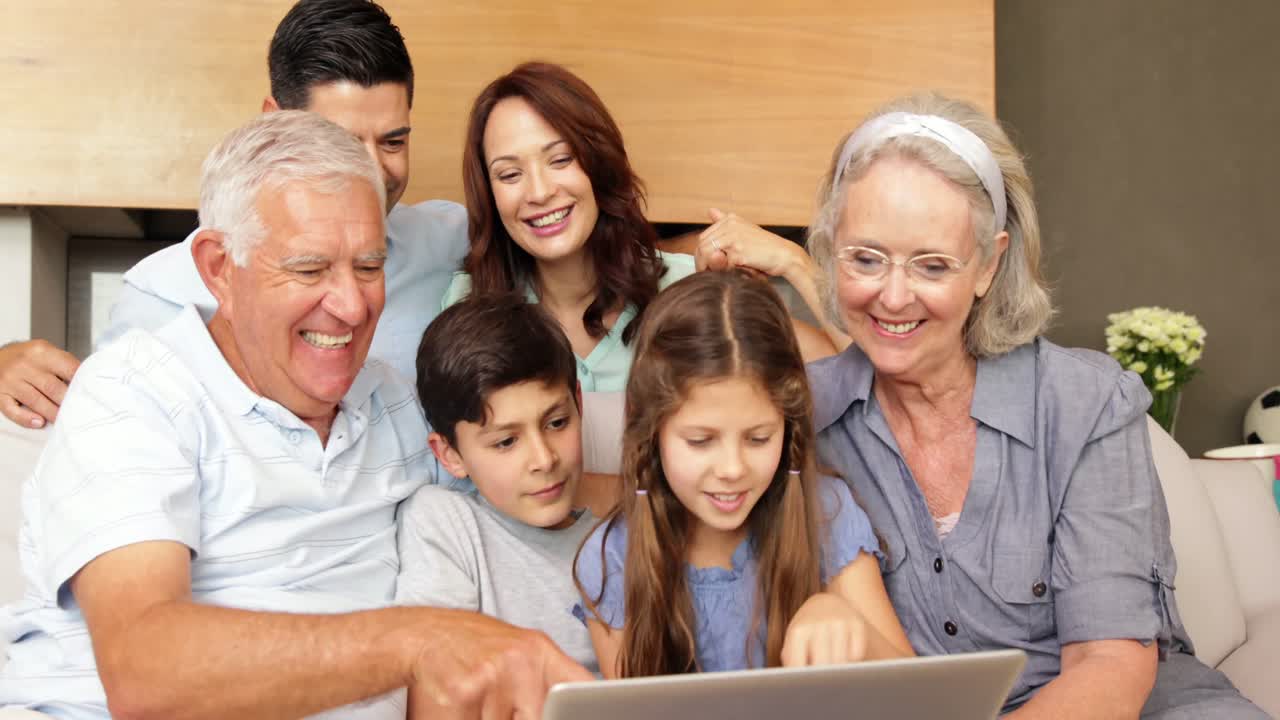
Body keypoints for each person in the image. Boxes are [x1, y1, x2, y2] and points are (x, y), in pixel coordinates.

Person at [0, 111, 589, 719]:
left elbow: (524, 473)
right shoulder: (134, 392)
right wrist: (422, 641)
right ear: (219, 269)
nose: (352, 306)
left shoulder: (396, 406)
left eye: (369, 266)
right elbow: (145, 673)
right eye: (309, 269)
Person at [792, 93, 1268, 717]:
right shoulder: (799, 415)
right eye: (866, 259)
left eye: (933, 266)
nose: (893, 295)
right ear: (831, 250)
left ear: (988, 265)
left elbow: (1111, 665)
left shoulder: (1084, 404)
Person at [0, 0, 468, 431]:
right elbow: (110, 425)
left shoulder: (446, 240)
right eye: (339, 143)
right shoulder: (165, 291)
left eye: (393, 142)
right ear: (273, 123)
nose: (369, 172)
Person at [573, 271, 912, 678]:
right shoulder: (611, 560)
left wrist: (852, 628)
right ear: (651, 433)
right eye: (700, 441)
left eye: (758, 438)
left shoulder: (827, 514)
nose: (733, 470)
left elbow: (920, 700)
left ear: (788, 429)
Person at [443, 62, 836, 394]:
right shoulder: (471, 301)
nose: (540, 192)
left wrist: (795, 262)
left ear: (598, 164)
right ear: (489, 195)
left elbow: (848, 381)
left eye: (560, 159)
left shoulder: (687, 285)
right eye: (509, 174)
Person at [397, 294, 603, 688]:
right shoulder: (447, 523)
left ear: (579, 403)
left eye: (557, 422)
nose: (544, 459)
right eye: (506, 442)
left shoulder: (623, 533)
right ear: (450, 454)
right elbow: (439, 687)